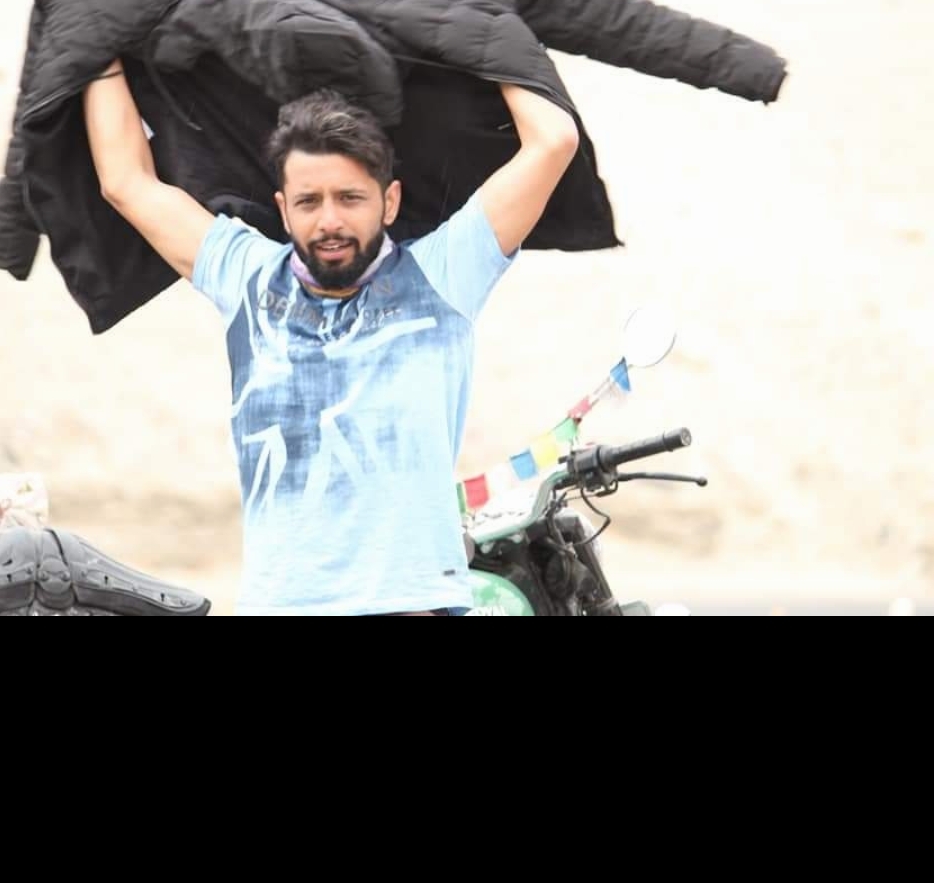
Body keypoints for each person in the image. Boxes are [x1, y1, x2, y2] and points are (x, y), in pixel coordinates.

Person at [82, 61, 578, 616]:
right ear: (283, 210)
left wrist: (489, 39)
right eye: (309, 201)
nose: (329, 222)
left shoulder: (443, 274)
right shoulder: (247, 276)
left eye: (350, 198)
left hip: (409, 607)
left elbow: (553, 141)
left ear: (389, 201)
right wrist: (97, 44)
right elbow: (125, 182)